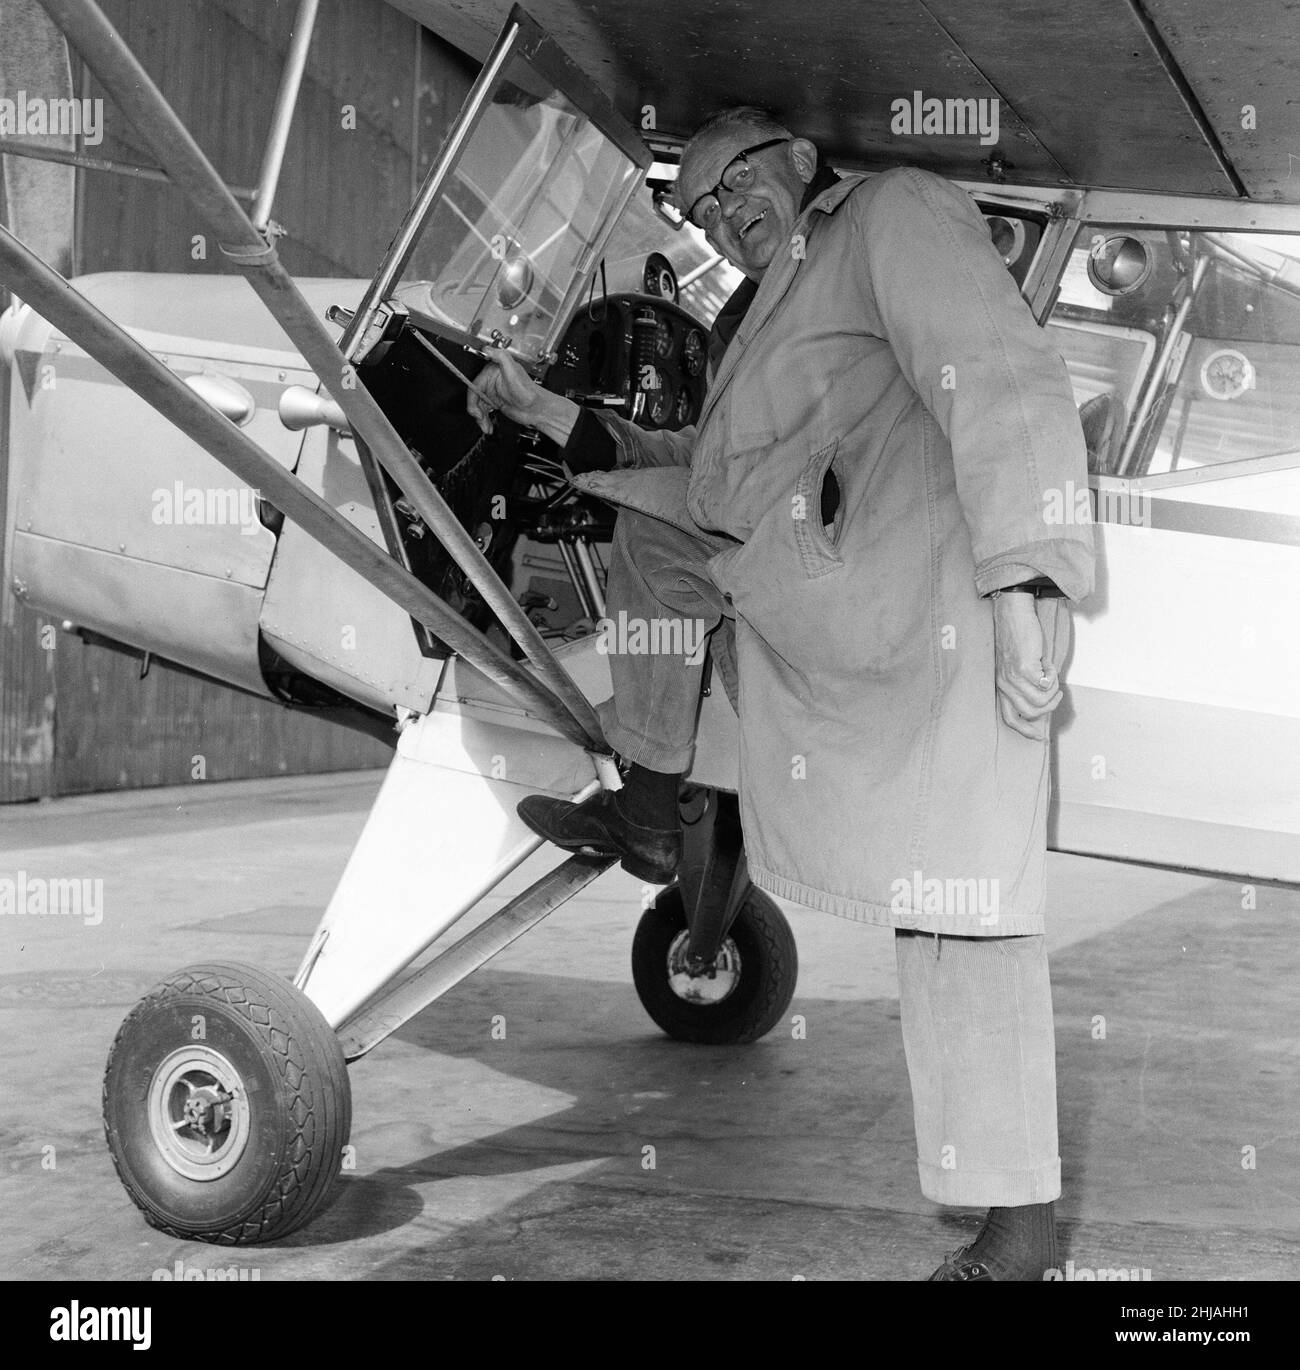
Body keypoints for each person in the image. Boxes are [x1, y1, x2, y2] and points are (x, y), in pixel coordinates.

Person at [469, 106, 1095, 1281]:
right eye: (701, 207)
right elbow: (707, 475)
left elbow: (1002, 372)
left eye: (741, 178)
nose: (725, 214)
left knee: (964, 904)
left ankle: (1017, 1235)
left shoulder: (888, 216)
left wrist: (1025, 571)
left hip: (931, 611)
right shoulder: (757, 311)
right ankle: (653, 799)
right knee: (651, 539)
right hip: (828, 602)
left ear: (804, 161)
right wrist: (547, 415)